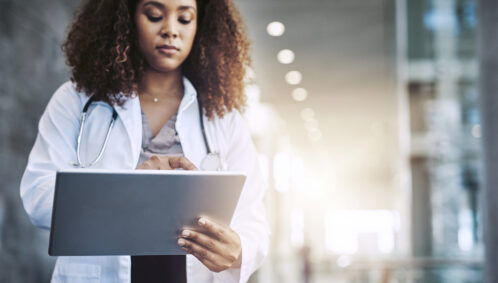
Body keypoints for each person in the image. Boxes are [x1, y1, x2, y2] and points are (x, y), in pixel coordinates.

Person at [19, 0, 269, 282]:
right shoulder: (76, 100)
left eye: (185, 19)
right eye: (154, 15)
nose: (170, 30)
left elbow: (252, 219)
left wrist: (237, 251)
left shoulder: (222, 116)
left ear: (202, 26)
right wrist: (126, 191)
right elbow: (38, 197)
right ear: (126, 19)